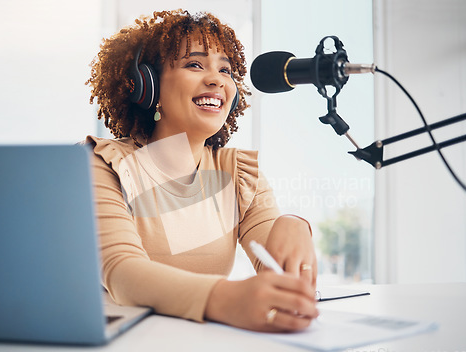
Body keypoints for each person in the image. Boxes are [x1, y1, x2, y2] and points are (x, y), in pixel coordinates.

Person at [85, 9, 318, 332]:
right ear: (145, 84)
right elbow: (123, 274)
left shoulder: (239, 172)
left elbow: (273, 266)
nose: (217, 80)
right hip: (122, 344)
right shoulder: (104, 163)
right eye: (194, 64)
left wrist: (293, 225)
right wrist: (225, 299)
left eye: (225, 69)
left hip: (205, 343)